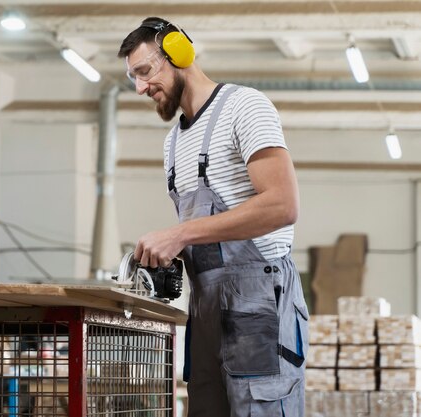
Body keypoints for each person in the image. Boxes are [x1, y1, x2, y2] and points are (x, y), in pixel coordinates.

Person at [118, 17, 310, 417]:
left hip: (258, 303)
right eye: (133, 77)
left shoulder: (244, 106)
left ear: (179, 54)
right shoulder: (174, 143)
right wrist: (166, 257)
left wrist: (180, 233)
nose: (140, 87)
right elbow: (203, 236)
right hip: (205, 309)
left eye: (144, 71)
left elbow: (282, 204)